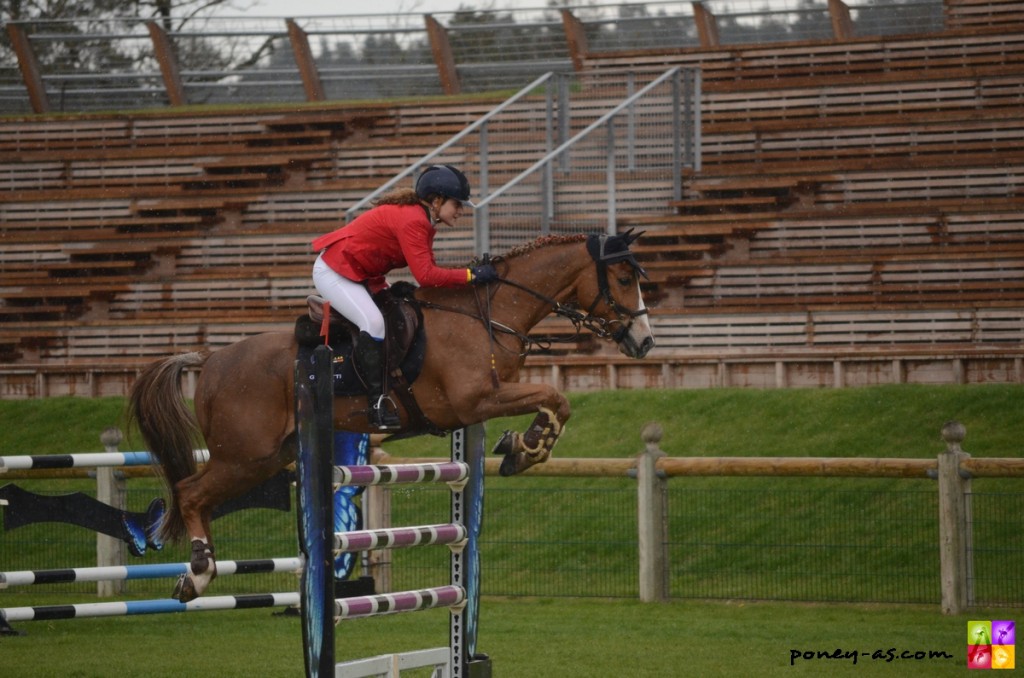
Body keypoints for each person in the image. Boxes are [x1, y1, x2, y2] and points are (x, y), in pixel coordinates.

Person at [311, 164, 498, 430]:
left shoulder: (423, 220)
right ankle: (375, 404)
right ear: (437, 201)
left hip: (364, 274)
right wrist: (471, 276)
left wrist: (469, 277)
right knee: (374, 323)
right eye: (457, 204)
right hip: (335, 272)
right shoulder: (414, 221)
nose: (460, 210)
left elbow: (428, 273)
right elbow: (427, 277)